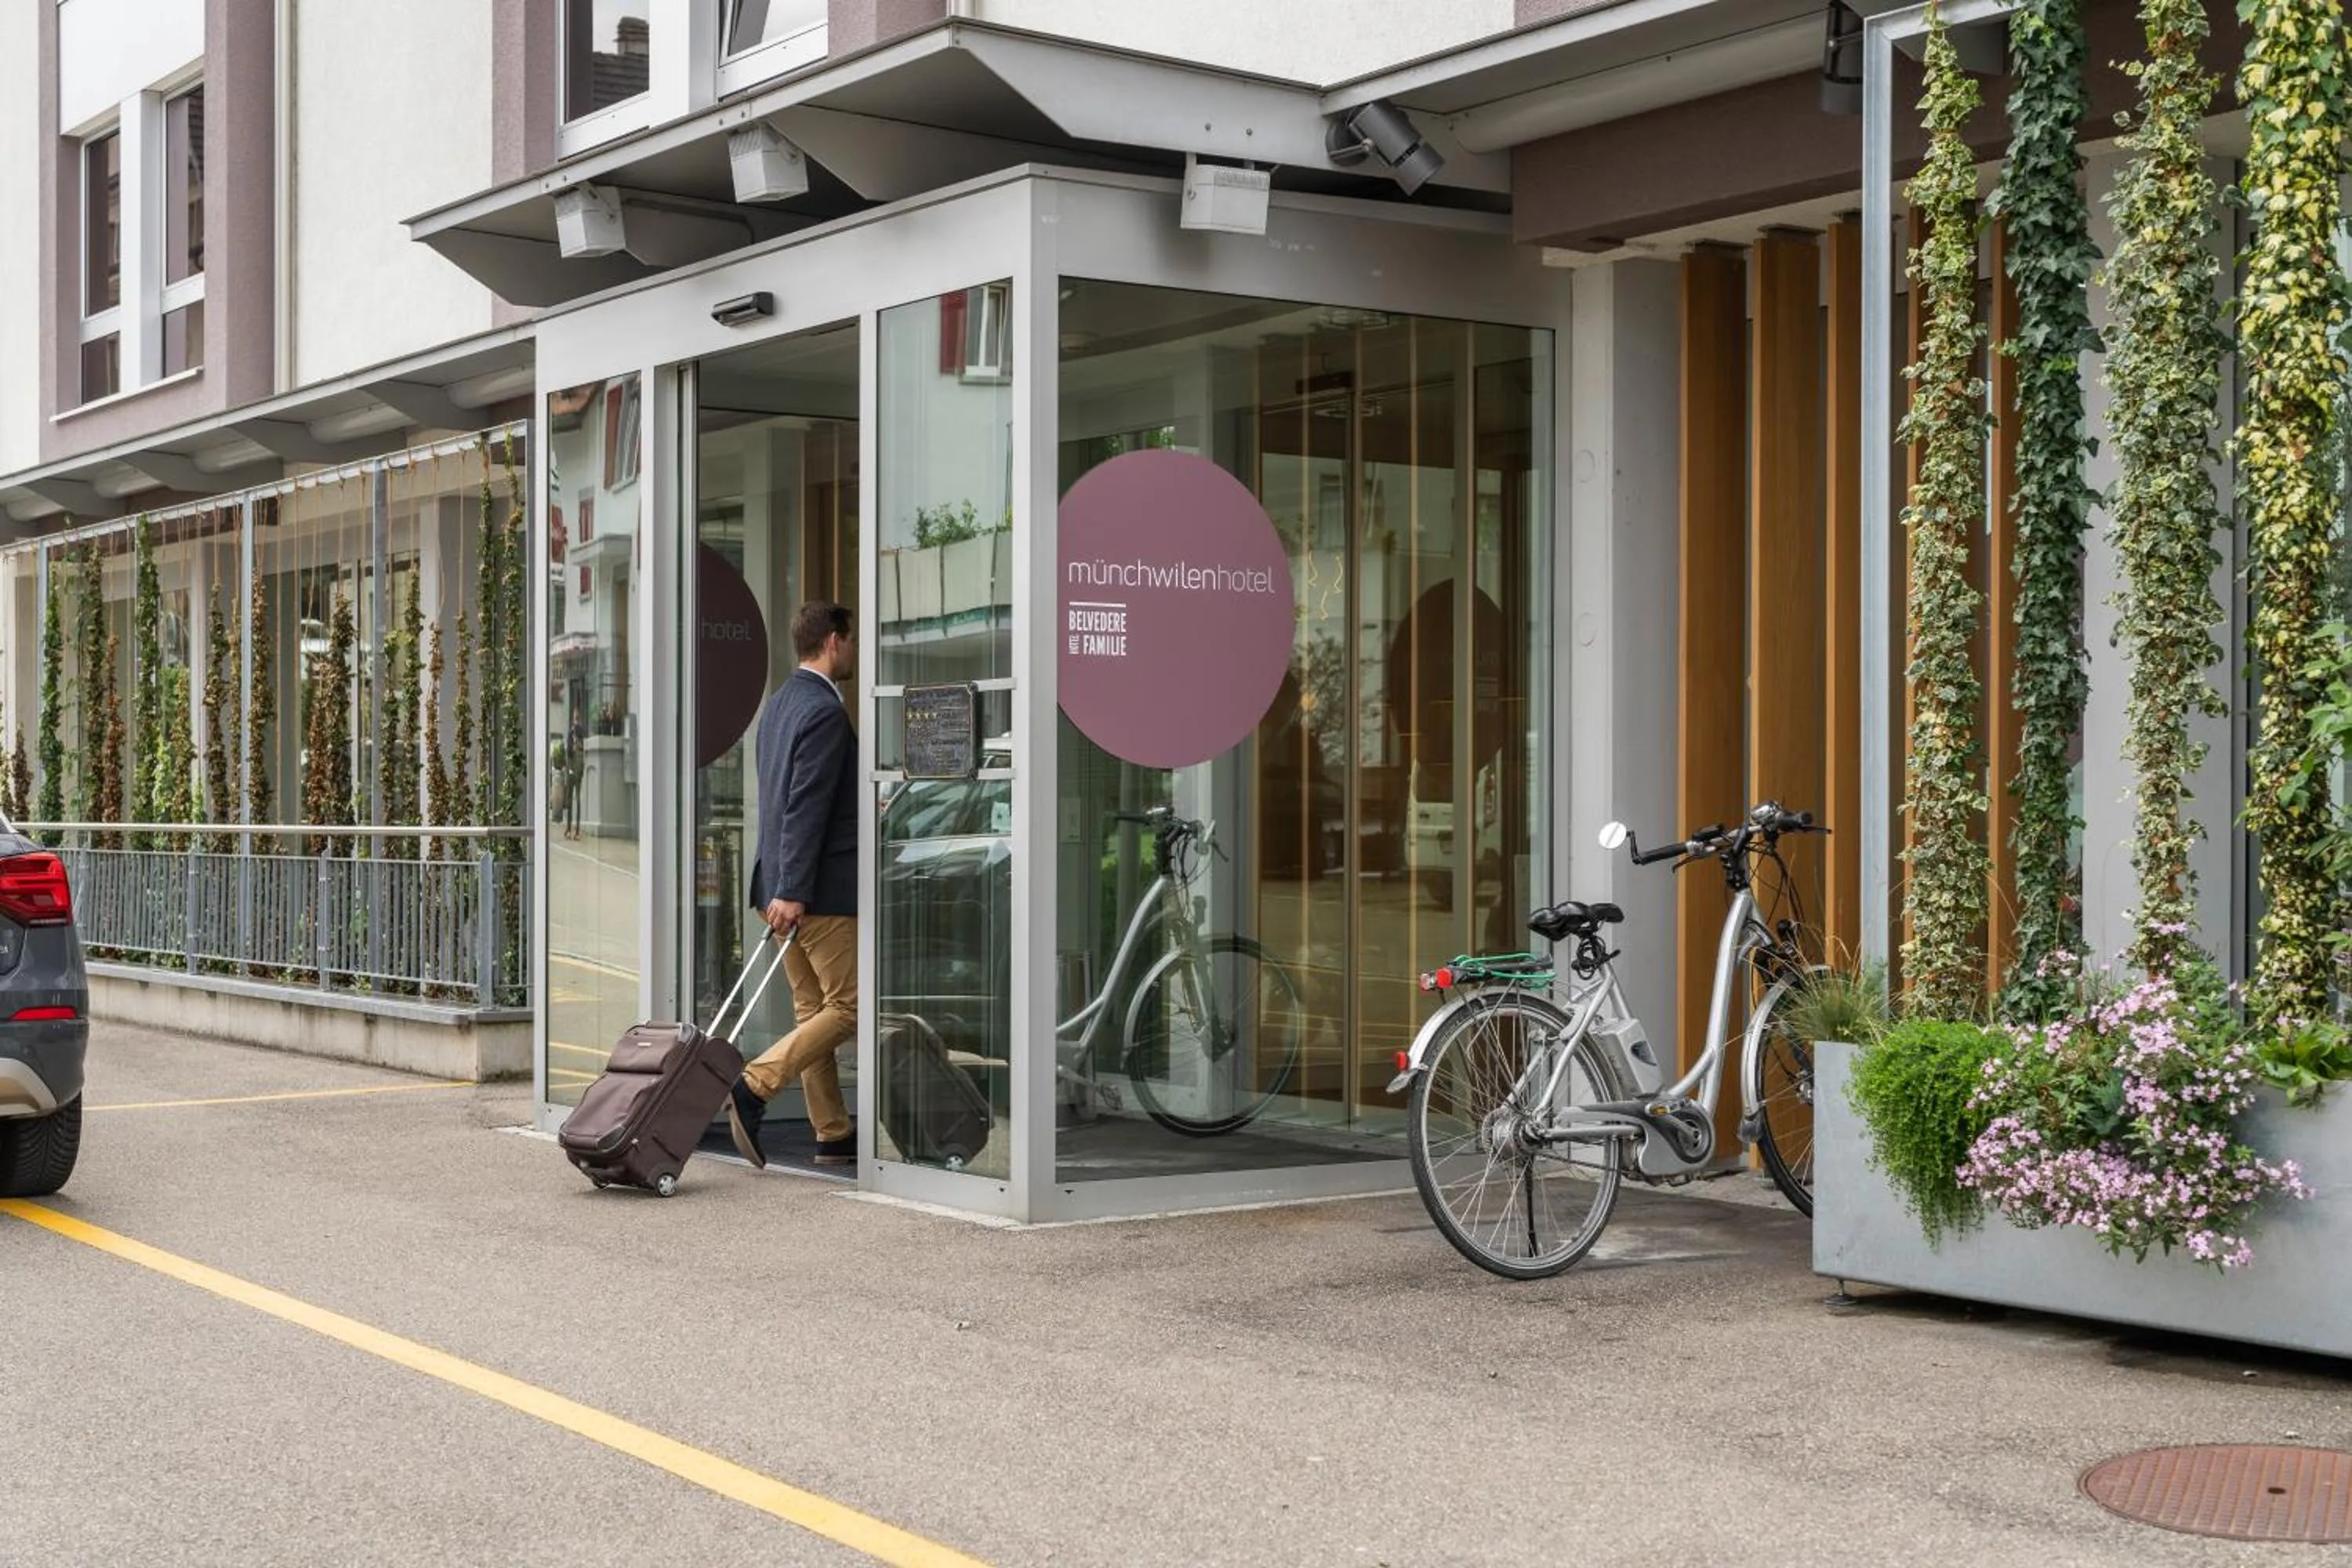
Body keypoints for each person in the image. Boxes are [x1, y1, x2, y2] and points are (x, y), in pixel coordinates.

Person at [728, 601, 858, 1169]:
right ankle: (755, 1084)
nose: (852, 652)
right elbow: (806, 806)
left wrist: (781, 887)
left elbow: (785, 800)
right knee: (850, 1008)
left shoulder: (779, 705)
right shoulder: (825, 712)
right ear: (833, 642)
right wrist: (796, 889)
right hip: (817, 893)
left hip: (778, 886)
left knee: (813, 1012)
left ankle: (833, 1132)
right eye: (850, 642)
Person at [563, 713, 586, 840]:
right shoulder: (571, 733)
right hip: (572, 769)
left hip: (575, 769)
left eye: (577, 718)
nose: (576, 720)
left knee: (575, 799)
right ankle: (570, 829)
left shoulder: (579, 732)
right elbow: (569, 752)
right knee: (571, 799)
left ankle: (575, 830)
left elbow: (580, 750)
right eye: (575, 718)